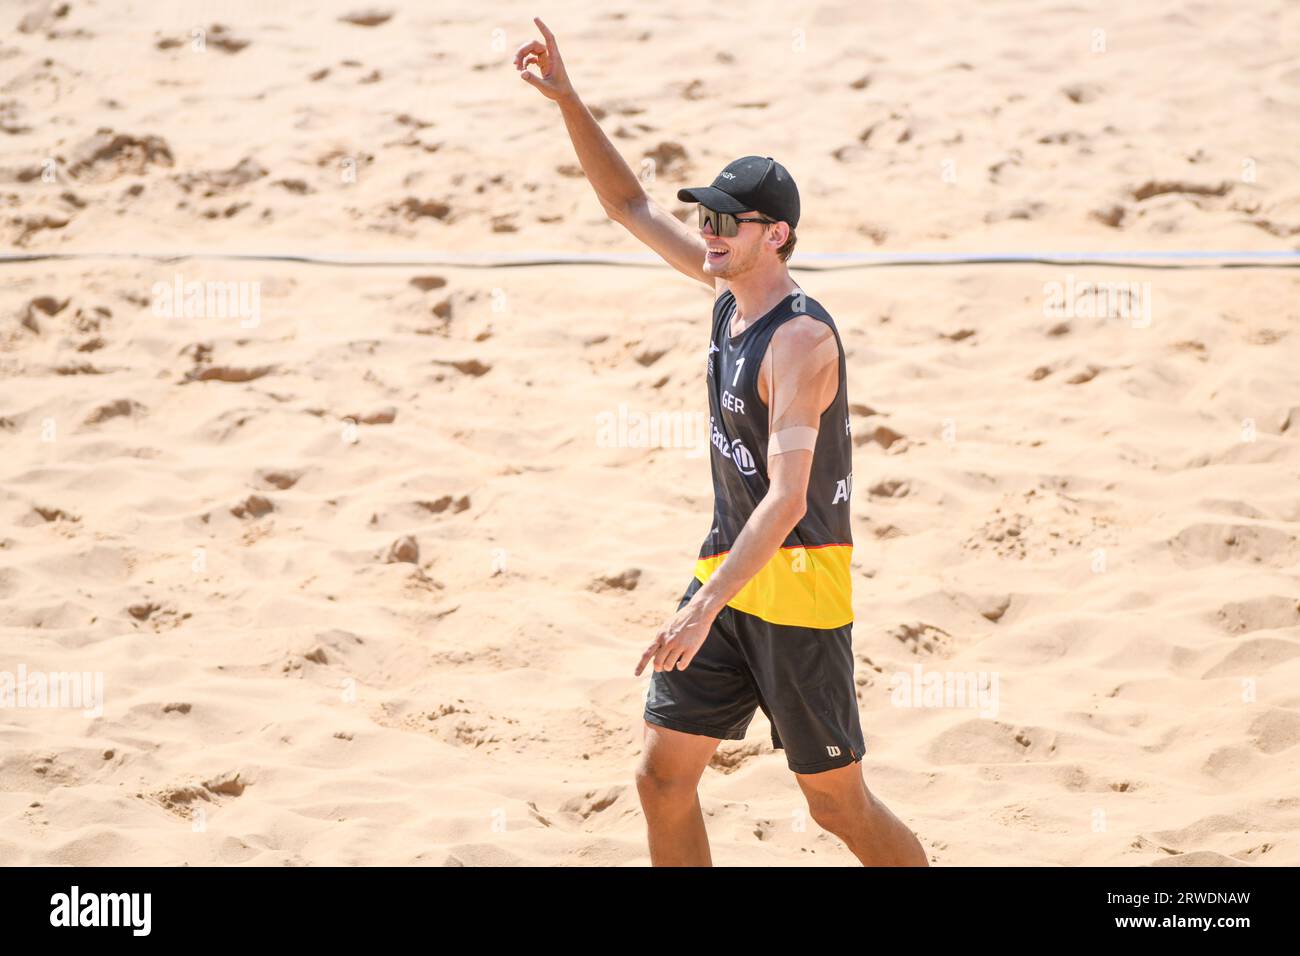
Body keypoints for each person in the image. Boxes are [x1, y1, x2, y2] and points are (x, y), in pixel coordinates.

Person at [514, 17, 927, 867]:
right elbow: (626, 203)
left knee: (838, 810)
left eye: (728, 221)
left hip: (801, 593)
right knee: (662, 777)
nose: (708, 230)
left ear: (774, 234)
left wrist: (701, 611)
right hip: (726, 570)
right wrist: (568, 99)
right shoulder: (726, 293)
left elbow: (785, 499)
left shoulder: (800, 342)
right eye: (706, 214)